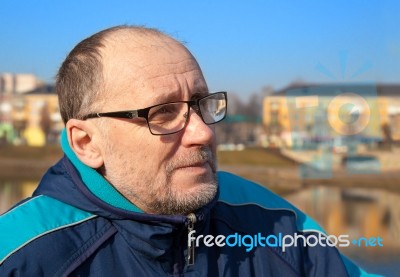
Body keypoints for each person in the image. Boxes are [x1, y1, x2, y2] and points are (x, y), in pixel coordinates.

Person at [0, 25, 373, 276]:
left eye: (201, 104)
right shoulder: (21, 254)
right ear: (87, 143)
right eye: (162, 113)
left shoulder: (269, 219)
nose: (203, 134)